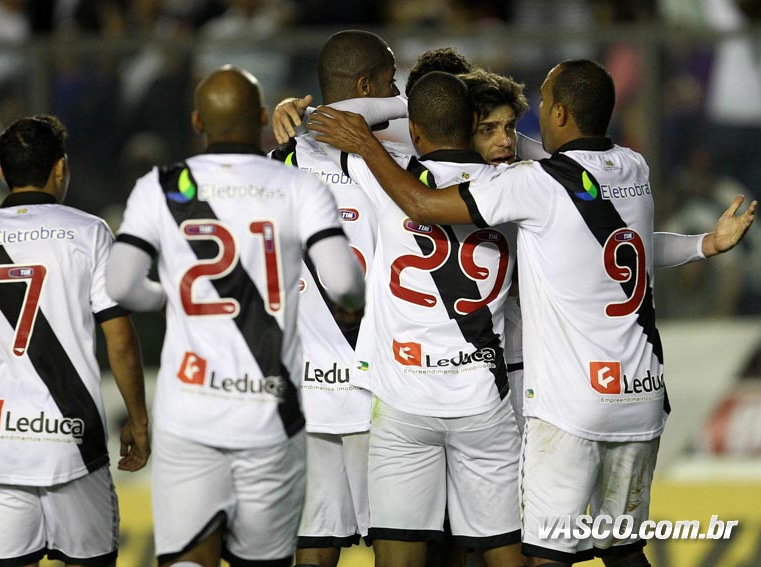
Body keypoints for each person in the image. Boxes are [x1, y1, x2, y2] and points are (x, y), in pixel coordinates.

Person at [308, 59, 756, 567]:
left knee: (536, 553)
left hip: (547, 401)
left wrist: (415, 116)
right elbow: (614, 237)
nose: (511, 136)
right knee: (620, 550)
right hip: (632, 391)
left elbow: (421, 200)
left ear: (559, 112)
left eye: (525, 117)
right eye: (490, 129)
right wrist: (703, 244)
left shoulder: (524, 186)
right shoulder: (630, 167)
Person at [105, 65, 365, 567]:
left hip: (189, 410)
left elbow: (120, 285)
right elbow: (344, 283)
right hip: (270, 412)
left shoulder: (162, 186)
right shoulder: (298, 186)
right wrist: (353, 302)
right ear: (263, 118)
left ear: (198, 121)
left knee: (188, 557)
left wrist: (166, 296)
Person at [0, 114, 150, 567]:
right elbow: (121, 342)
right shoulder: (90, 232)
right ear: (60, 168)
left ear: (2, 172)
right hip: (73, 442)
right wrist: (139, 422)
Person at [321, 70, 524, 567]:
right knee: (505, 555)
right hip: (484, 401)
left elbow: (330, 118)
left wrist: (402, 105)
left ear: (414, 129)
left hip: (404, 403)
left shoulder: (385, 169)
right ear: (474, 123)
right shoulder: (519, 184)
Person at [269, 30, 399, 567]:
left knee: (315, 544)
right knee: (406, 547)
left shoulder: (275, 165)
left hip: (308, 394)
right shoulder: (395, 168)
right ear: (367, 87)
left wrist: (303, 115)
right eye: (391, 82)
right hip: (382, 393)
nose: (397, 94)